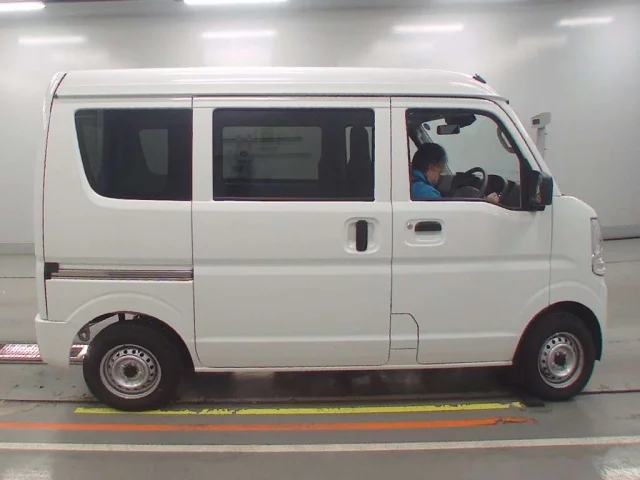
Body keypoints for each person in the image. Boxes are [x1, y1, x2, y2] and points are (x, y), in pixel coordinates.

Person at [410, 143, 500, 204]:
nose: (439, 177)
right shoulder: (427, 193)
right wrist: (488, 202)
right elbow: (448, 218)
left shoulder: (409, 183)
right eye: (440, 171)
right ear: (432, 167)